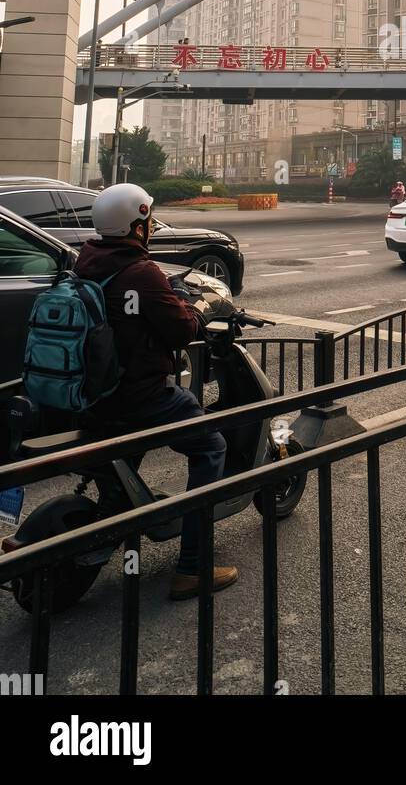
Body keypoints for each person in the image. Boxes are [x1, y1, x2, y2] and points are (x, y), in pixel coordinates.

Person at [73, 182, 238, 602]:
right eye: (146, 221)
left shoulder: (88, 261)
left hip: (97, 395)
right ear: (138, 224)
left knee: (128, 453)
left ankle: (109, 516)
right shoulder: (140, 271)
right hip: (142, 395)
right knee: (211, 447)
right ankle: (191, 569)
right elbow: (181, 329)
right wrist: (199, 309)